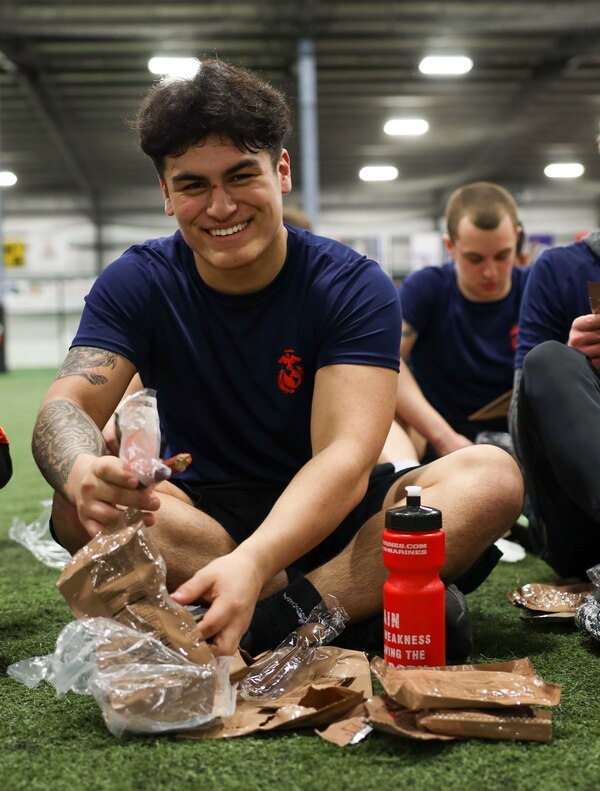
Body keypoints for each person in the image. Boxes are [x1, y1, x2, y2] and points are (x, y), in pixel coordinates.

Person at [31, 59, 523, 659]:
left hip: (338, 516)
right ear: (165, 193)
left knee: (492, 476)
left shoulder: (352, 284)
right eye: (193, 185)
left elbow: (345, 458)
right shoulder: (137, 280)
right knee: (72, 503)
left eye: (241, 176)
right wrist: (82, 469)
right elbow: (68, 404)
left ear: (281, 170)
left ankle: (274, 618)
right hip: (202, 522)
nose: (220, 206)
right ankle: (352, 606)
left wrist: (257, 560)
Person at [381, 182, 529, 466]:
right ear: (450, 246)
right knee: (376, 406)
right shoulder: (427, 288)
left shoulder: (535, 288)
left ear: (517, 239)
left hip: (520, 432)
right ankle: (403, 492)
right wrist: (444, 438)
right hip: (441, 432)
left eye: (502, 256)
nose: (490, 271)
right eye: (475, 259)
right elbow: (385, 359)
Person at [511, 224, 600, 576]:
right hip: (578, 518)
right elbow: (521, 423)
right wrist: (576, 366)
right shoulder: (559, 268)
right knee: (549, 359)